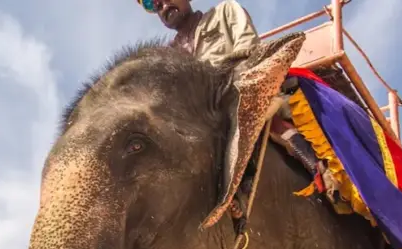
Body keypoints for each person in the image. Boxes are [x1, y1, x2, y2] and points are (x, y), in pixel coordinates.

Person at [139, 0, 342, 204]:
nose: (163, 7)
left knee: (252, 112)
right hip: (203, 120)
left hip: (243, 91)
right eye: (154, 5)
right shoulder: (168, 56)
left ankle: (319, 170)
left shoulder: (226, 11)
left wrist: (218, 90)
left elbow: (249, 53)